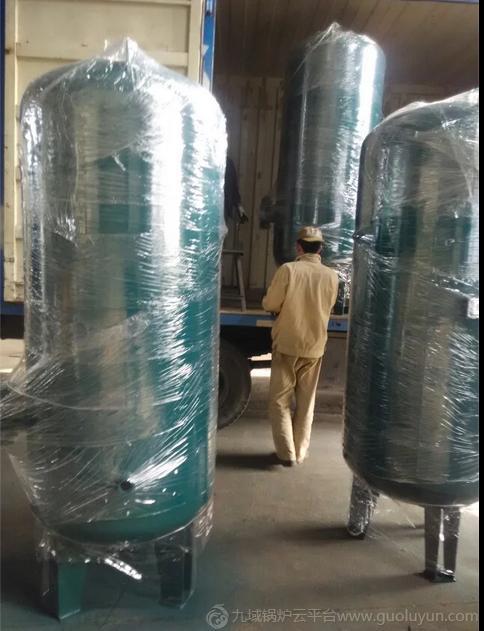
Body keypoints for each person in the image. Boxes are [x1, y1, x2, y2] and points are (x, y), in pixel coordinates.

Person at [262, 227, 339, 466]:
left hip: (288, 343)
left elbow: (271, 304)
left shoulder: (288, 270)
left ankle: (286, 454)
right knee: (306, 403)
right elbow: (330, 305)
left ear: (298, 247)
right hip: (314, 345)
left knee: (279, 401)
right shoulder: (331, 276)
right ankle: (300, 451)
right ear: (321, 248)